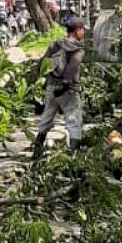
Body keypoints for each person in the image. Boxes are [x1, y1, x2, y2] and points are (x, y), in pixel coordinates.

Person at [33, 16, 87, 158]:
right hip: (68, 90)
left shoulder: (55, 45)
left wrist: (44, 86)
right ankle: (74, 156)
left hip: (51, 86)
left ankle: (36, 151)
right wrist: (65, 85)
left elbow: (41, 65)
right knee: (73, 121)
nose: (84, 33)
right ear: (77, 31)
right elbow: (73, 67)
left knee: (46, 118)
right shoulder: (78, 49)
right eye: (83, 30)